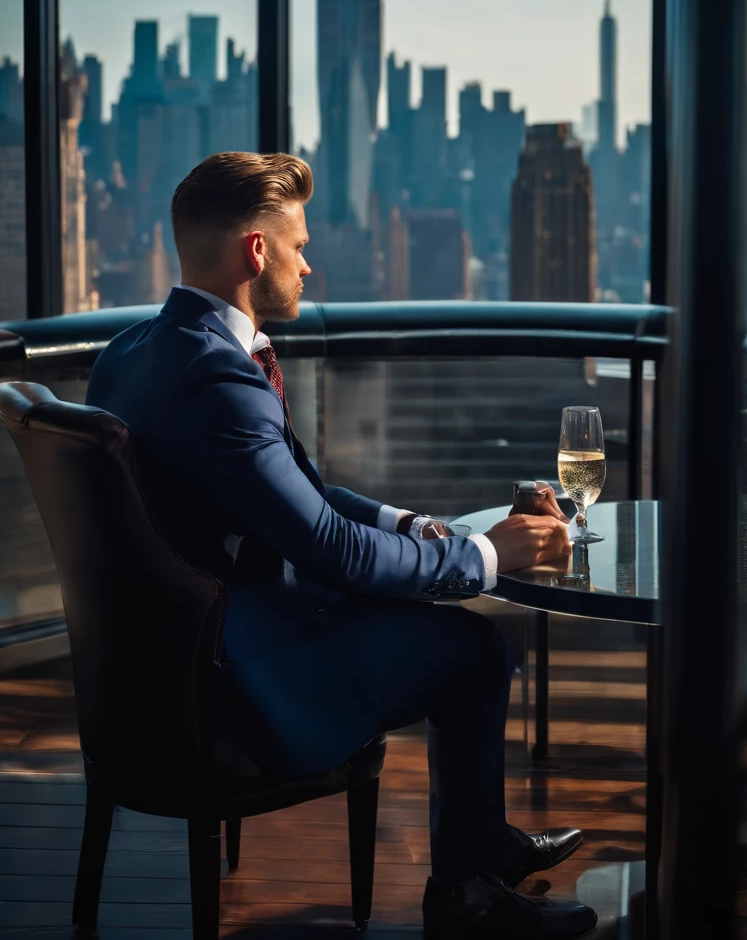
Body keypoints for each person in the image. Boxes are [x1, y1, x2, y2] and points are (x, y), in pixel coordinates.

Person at [86, 151, 597, 938]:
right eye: (298, 244)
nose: (309, 263)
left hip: (165, 667)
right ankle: (466, 897)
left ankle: (482, 847)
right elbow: (330, 549)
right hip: (248, 684)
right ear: (257, 251)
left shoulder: (136, 354)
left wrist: (412, 525)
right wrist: (493, 556)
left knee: (438, 625)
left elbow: (296, 493)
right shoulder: (218, 381)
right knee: (474, 650)